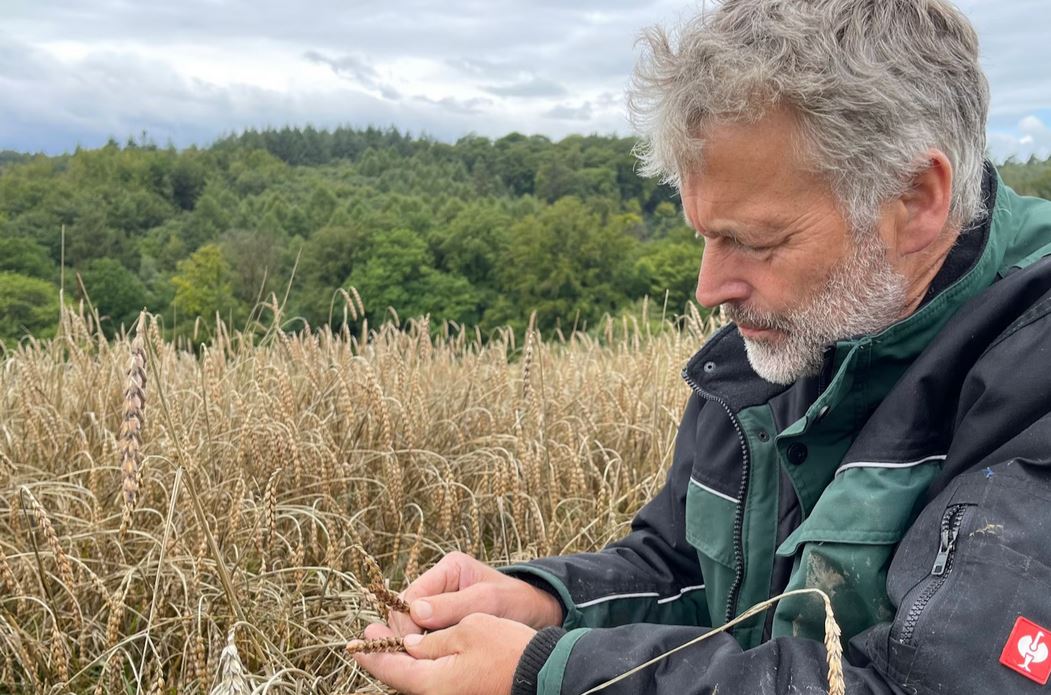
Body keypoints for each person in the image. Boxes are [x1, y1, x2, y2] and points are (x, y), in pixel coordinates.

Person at [352, 0, 1051, 692]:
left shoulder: (1031, 368)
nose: (709, 286)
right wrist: (543, 601)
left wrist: (544, 671)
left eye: (753, 241)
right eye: (705, 235)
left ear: (915, 199)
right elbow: (685, 571)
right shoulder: (791, 334)